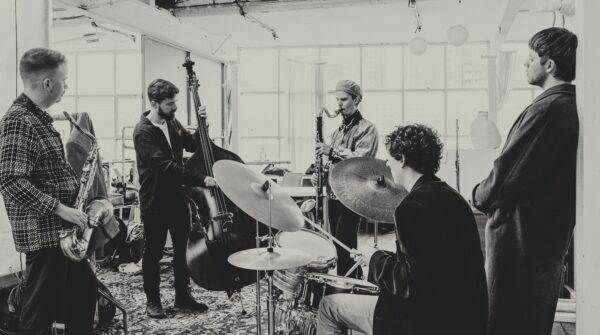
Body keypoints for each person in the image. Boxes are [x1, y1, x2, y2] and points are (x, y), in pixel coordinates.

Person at [317, 124, 487, 335]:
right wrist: (379, 257)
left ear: (403, 159)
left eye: (390, 157)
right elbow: (431, 263)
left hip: (428, 321)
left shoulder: (410, 207)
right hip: (466, 317)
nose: (387, 163)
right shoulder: (454, 198)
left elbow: (411, 284)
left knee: (328, 306)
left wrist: (375, 258)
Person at [472, 27, 578, 335]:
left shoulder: (549, 108)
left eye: (530, 58)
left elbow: (505, 175)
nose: (525, 65)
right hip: (541, 237)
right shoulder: (566, 106)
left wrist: (478, 195)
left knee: (505, 320)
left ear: (549, 65)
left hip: (521, 240)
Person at [0, 48, 97, 335]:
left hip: (60, 233)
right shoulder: (19, 121)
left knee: (84, 294)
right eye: (64, 80)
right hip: (45, 235)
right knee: (39, 315)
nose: (66, 86)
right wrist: (61, 208)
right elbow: (9, 180)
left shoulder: (38, 118)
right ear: (47, 83)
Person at [133, 79, 216, 318]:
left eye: (175, 102)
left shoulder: (171, 121)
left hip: (178, 200)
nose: (174, 107)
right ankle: (153, 301)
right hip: (155, 202)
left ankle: (183, 296)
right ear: (154, 103)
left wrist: (203, 124)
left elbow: (192, 145)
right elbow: (166, 167)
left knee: (182, 250)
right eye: (170, 104)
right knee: (153, 254)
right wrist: (202, 179)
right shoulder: (143, 132)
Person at [315, 79, 378, 278]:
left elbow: (362, 159)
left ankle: (349, 281)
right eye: (337, 100)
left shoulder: (367, 128)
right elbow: (331, 161)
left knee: (345, 240)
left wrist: (330, 151)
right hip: (334, 192)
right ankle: (350, 278)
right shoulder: (338, 131)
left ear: (357, 99)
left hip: (352, 193)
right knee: (338, 241)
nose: (339, 104)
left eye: (343, 99)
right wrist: (321, 172)